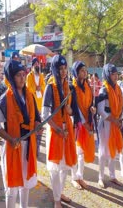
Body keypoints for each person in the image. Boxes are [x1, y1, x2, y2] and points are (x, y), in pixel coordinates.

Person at [0, 59, 40, 208]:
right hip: (13, 148)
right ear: (11, 77)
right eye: (18, 75)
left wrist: (38, 127)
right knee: (12, 188)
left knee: (25, 184)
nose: (22, 78)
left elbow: (37, 119)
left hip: (28, 146)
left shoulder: (30, 95)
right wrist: (10, 139)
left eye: (23, 74)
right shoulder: (5, 99)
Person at [42, 55, 77, 208]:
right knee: (55, 168)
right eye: (60, 69)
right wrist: (57, 130)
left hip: (66, 130)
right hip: (55, 131)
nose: (63, 72)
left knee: (65, 166)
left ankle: (60, 192)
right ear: (55, 70)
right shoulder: (50, 87)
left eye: (65, 69)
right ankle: (56, 199)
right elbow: (45, 115)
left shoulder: (67, 87)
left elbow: (70, 110)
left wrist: (69, 111)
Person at [96, 63, 123, 188]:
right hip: (106, 124)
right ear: (108, 75)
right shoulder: (104, 89)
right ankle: (100, 178)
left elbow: (121, 106)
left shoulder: (118, 89)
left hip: (115, 124)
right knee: (103, 152)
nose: (115, 76)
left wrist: (119, 119)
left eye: (116, 74)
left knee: (114, 151)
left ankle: (112, 176)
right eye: (112, 74)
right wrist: (114, 120)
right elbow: (101, 110)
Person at [70, 61, 96, 190]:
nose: (84, 73)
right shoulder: (72, 87)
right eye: (81, 71)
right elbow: (75, 108)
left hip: (87, 121)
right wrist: (83, 123)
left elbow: (91, 102)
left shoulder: (88, 86)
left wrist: (92, 109)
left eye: (85, 70)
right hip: (77, 123)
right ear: (76, 72)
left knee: (82, 153)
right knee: (76, 152)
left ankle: (80, 177)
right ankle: (74, 178)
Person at [26, 57, 45, 156]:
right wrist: (35, 88)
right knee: (33, 119)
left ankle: (39, 136)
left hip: (40, 100)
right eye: (35, 64)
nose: (37, 65)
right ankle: (33, 135)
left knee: (40, 120)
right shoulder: (29, 76)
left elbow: (43, 86)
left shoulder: (41, 75)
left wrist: (40, 87)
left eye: (38, 64)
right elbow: (28, 87)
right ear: (32, 66)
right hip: (33, 100)